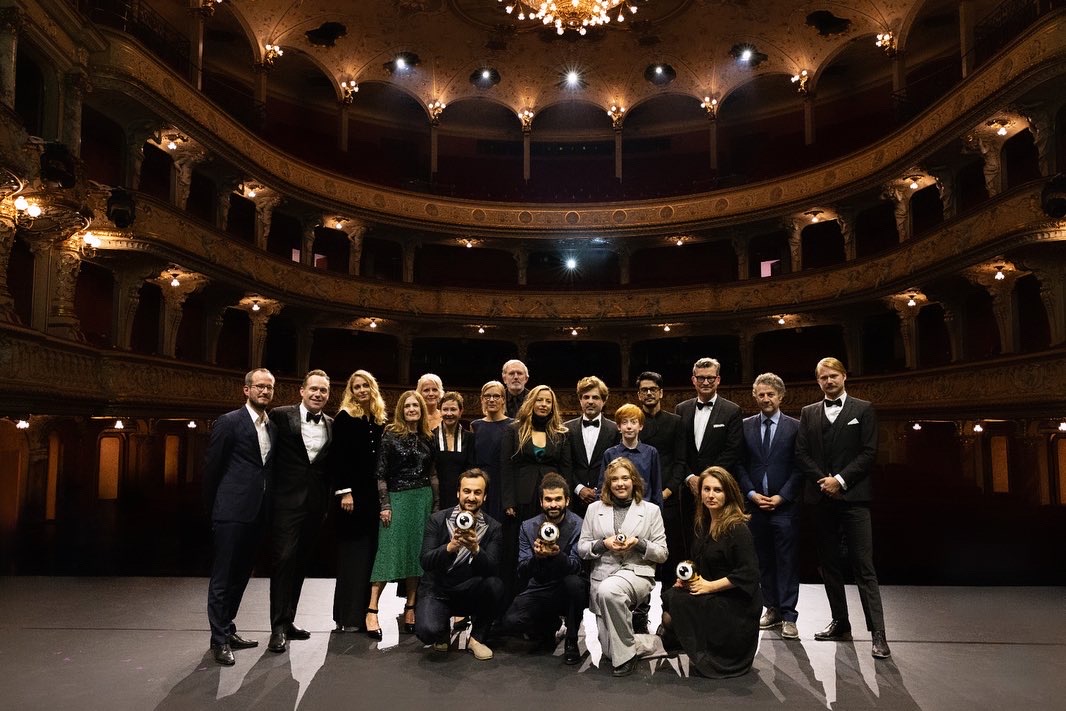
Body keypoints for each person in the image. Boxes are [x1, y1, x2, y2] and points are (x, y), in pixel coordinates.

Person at [795, 357, 890, 659]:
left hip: (854, 499)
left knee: (864, 567)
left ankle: (878, 634)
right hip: (820, 498)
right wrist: (824, 482)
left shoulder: (863, 409)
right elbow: (801, 453)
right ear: (818, 381)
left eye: (833, 376)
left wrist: (840, 480)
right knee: (829, 565)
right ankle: (841, 624)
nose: (828, 381)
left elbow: (869, 452)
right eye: (823, 378)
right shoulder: (808, 413)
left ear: (844, 376)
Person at [203, 368, 277, 666]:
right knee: (223, 578)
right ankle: (218, 639)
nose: (265, 392)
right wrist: (213, 510)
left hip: (259, 512)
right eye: (259, 386)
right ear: (246, 390)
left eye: (269, 388)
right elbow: (212, 469)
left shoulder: (272, 426)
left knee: (242, 576)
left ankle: (228, 628)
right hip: (231, 511)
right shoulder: (229, 422)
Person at [660, 467, 762, 679]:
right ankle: (686, 639)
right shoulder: (704, 522)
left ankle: (703, 647)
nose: (711, 495)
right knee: (670, 595)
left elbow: (749, 573)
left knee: (676, 607)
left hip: (736, 601)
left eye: (717, 490)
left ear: (729, 493)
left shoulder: (737, 528)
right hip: (714, 591)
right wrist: (688, 578)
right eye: (706, 489)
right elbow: (701, 561)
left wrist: (708, 586)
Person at [578, 458, 668, 678]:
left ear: (634, 481)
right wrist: (603, 544)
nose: (620, 483)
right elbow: (582, 548)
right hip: (603, 573)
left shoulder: (651, 510)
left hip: (637, 572)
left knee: (610, 590)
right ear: (607, 484)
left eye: (625, 478)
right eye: (614, 479)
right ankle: (652, 642)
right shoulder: (593, 509)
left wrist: (638, 543)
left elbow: (663, 553)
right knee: (609, 652)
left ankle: (626, 658)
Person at [267, 369, 333, 653]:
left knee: (300, 563)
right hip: (285, 502)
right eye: (314, 389)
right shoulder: (281, 415)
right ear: (302, 391)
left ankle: (289, 620)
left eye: (324, 391)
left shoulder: (332, 424)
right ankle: (278, 628)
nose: (318, 394)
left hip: (315, 505)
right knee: (284, 560)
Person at [366, 390, 438, 640]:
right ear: (401, 409)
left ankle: (410, 607)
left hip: (423, 499)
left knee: (415, 556)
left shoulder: (429, 437)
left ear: (421, 410)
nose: (411, 409)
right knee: (388, 554)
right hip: (397, 499)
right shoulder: (390, 435)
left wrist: (435, 506)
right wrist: (385, 505)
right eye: (407, 406)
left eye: (415, 406)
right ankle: (372, 609)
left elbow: (432, 474)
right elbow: (381, 475)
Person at [736, 372, 803, 640]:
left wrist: (782, 496)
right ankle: (771, 608)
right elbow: (739, 464)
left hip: (784, 507)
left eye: (770, 394)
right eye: (761, 394)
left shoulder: (796, 426)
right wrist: (751, 493)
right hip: (754, 505)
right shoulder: (744, 426)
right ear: (755, 396)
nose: (766, 399)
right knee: (763, 560)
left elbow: (800, 468)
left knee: (786, 561)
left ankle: (789, 615)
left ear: (781, 396)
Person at [668, 357, 742, 590]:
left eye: (711, 377)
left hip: (718, 490)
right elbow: (678, 450)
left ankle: (712, 588)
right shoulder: (682, 409)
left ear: (718, 380)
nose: (706, 382)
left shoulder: (732, 410)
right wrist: (690, 477)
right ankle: (687, 589)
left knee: (717, 539)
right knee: (688, 541)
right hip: (688, 488)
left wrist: (708, 481)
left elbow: (732, 451)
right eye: (701, 378)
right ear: (693, 380)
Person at [415, 469, 504, 660]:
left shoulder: (494, 527)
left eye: (477, 492)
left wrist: (475, 549)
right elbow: (425, 561)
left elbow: (493, 568)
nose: (471, 497)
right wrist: (450, 547)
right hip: (438, 589)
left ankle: (477, 638)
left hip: (469, 590)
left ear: (485, 496)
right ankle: (441, 632)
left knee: (495, 585)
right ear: (458, 493)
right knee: (427, 631)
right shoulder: (437, 520)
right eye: (467, 491)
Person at [499, 472, 587, 665]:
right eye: (548, 499)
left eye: (558, 499)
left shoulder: (579, 525)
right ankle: (548, 627)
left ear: (567, 500)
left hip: (567, 587)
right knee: (511, 621)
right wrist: (537, 558)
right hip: (540, 586)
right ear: (541, 502)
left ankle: (572, 639)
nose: (553, 504)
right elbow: (522, 569)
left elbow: (577, 566)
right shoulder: (528, 527)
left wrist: (556, 555)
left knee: (575, 584)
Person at [328, 369, 387, 633]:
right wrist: (345, 491)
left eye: (365, 385)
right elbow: (337, 458)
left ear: (372, 388)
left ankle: (365, 614)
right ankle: (347, 617)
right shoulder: (344, 418)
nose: (361, 390)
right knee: (353, 556)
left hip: (373, 496)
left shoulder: (377, 418)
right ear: (350, 391)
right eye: (356, 387)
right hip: (352, 498)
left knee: (370, 557)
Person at [501, 385, 571, 600]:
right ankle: (517, 599)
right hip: (522, 500)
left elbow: (566, 468)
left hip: (551, 502)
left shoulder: (560, 433)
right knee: (520, 551)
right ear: (531, 402)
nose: (543, 404)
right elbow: (506, 466)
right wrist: (508, 501)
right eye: (539, 400)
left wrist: (565, 501)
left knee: (549, 548)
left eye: (548, 401)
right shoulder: (514, 429)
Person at [565, 375, 619, 517]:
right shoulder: (566, 429)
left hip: (605, 498)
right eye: (586, 397)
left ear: (604, 400)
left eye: (595, 397)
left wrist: (599, 490)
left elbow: (615, 465)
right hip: (573, 499)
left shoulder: (615, 430)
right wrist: (579, 488)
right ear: (580, 400)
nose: (590, 401)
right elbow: (565, 464)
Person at [600, 403, 663, 507]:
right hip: (616, 507)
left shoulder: (651, 453)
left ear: (641, 426)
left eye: (633, 422)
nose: (629, 427)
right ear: (619, 427)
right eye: (624, 423)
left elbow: (657, 489)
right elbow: (603, 487)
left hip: (644, 509)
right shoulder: (609, 454)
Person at [470, 380, 512, 523]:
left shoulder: (514, 425)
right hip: (481, 485)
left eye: (496, 396)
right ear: (482, 399)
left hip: (503, 485)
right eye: (487, 396)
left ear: (503, 400)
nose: (492, 400)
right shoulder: (475, 425)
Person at [432, 391, 475, 510]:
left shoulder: (470, 438)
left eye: (453, 409)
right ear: (440, 411)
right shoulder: (430, 437)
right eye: (445, 409)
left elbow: (471, 470)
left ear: (461, 412)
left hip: (462, 496)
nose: (449, 413)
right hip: (436, 497)